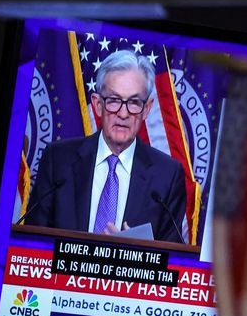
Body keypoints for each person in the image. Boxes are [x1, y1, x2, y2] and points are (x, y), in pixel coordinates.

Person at [26, 50, 187, 243]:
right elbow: (32, 243)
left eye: (134, 102)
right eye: (114, 100)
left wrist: (135, 256)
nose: (123, 113)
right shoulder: (58, 160)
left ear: (146, 109)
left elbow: (170, 260)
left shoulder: (167, 176)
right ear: (98, 104)